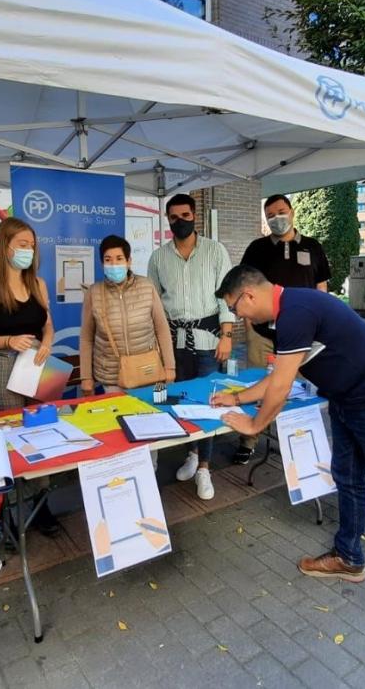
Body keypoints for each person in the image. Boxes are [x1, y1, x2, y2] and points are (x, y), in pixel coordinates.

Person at [210, 265, 365, 616]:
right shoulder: (287, 314)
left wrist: (253, 425)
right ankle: (349, 557)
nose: (238, 317)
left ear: (248, 295)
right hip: (347, 400)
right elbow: (280, 374)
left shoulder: (296, 311)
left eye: (235, 309)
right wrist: (236, 399)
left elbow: (280, 389)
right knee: (349, 480)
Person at [0, 217, 61, 533]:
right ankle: (8, 510)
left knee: (42, 432)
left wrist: (47, 342)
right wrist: (7, 341)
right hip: (3, 365)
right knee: (11, 437)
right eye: (22, 244)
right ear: (4, 245)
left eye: (32, 246)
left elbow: (47, 324)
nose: (28, 251)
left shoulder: (38, 284)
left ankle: (41, 506)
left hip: (37, 364)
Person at [147, 193, 236, 500]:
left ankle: (205, 468)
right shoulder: (158, 258)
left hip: (209, 339)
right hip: (175, 341)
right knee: (181, 398)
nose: (180, 221)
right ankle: (192, 454)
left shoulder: (215, 251)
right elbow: (155, 305)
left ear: (194, 216)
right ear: (167, 219)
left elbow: (228, 295)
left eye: (185, 215)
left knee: (209, 400)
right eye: (174, 217)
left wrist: (227, 334)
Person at [233, 193, 331, 464]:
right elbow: (244, 288)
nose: (277, 218)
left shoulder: (312, 247)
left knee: (295, 389)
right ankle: (249, 439)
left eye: (281, 211)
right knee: (257, 384)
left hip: (303, 337)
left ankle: (296, 441)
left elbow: (322, 287)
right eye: (271, 215)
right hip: (263, 334)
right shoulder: (257, 248)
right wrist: (249, 326)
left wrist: (319, 327)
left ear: (292, 211)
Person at [80, 235, 175, 394]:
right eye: (108, 259)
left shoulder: (146, 286)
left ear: (129, 261)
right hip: (111, 377)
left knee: (149, 416)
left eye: (119, 258)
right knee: (117, 418)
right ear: (102, 263)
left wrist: (170, 367)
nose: (114, 264)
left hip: (147, 372)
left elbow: (162, 329)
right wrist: (86, 377)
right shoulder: (94, 293)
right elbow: (86, 337)